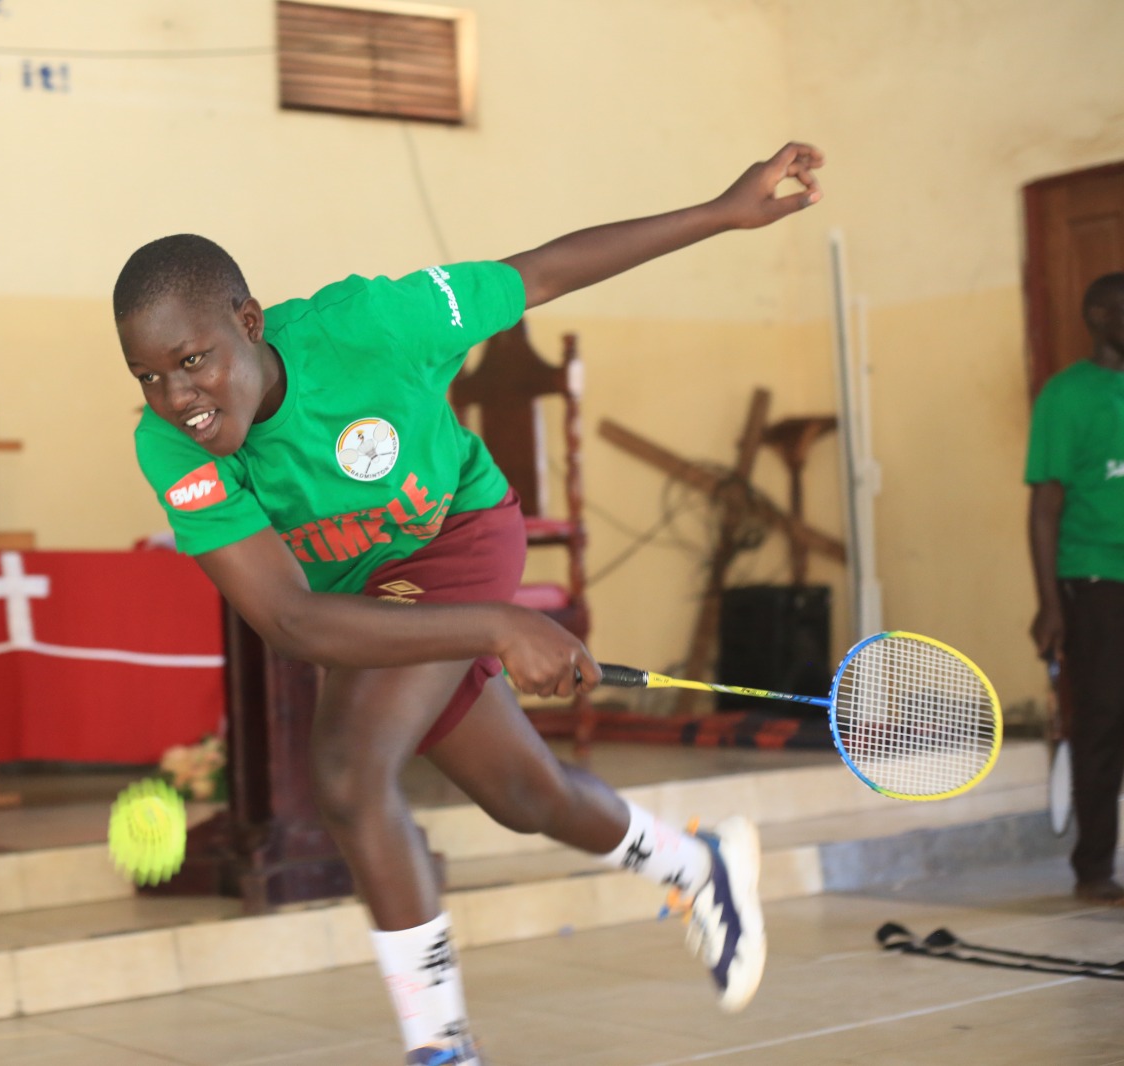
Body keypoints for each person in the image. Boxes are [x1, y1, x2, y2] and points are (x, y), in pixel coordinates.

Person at [115, 142, 824, 1064]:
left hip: (459, 534)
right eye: (149, 377)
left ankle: (441, 1049)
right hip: (364, 600)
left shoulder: (374, 324)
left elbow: (541, 273)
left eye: (194, 360)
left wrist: (720, 212)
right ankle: (699, 865)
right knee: (523, 795)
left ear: (249, 321)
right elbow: (289, 621)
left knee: (348, 772)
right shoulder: (171, 446)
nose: (178, 398)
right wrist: (498, 628)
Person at [1027, 271, 1124, 907]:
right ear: (1098, 315)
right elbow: (1045, 506)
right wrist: (1050, 604)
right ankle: (1093, 871)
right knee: (1101, 723)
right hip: (1095, 579)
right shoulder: (1065, 396)